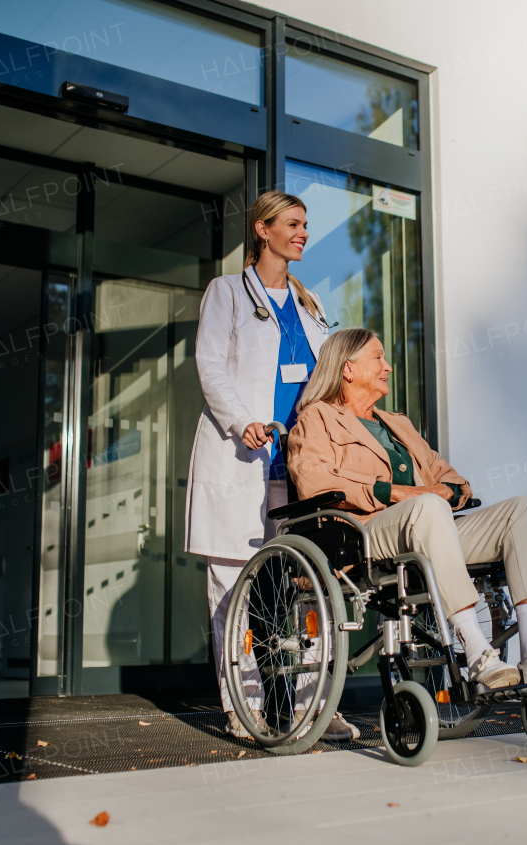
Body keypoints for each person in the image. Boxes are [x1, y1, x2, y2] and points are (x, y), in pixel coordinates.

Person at [288, 328, 527, 688]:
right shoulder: (317, 418)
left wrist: (445, 491)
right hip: (364, 533)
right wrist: (395, 493)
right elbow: (313, 480)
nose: (388, 367)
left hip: (429, 526)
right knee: (427, 507)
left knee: (524, 509)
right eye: (378, 358)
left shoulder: (398, 424)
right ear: (348, 369)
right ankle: (478, 653)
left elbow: (453, 481)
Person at [184, 191, 360, 741]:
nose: (303, 232)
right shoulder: (227, 292)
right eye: (293, 223)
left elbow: (326, 380)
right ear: (263, 230)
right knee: (235, 587)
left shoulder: (311, 306)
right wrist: (243, 422)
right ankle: (244, 705)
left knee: (306, 587)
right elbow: (210, 365)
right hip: (243, 457)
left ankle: (312, 708)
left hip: (295, 465)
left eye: (306, 224)